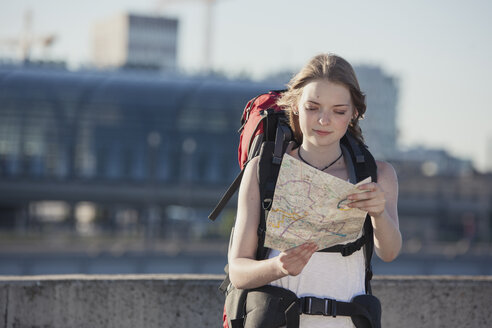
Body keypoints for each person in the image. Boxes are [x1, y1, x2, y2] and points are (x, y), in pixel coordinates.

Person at [227, 53, 402, 328]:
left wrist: (379, 214)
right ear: (295, 106)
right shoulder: (263, 170)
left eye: (339, 111)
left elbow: (389, 252)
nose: (324, 120)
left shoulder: (378, 174)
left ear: (355, 113)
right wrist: (278, 267)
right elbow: (238, 270)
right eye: (313, 107)